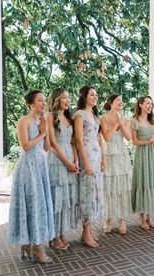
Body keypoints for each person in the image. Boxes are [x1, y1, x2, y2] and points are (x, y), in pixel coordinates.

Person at [8, 90, 54, 264]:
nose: (43, 103)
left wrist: (46, 129)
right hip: (27, 167)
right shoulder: (24, 121)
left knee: (40, 204)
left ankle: (31, 243)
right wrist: (41, 133)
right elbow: (25, 146)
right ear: (31, 104)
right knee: (31, 204)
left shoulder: (42, 121)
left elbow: (47, 147)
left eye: (44, 100)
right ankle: (34, 245)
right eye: (39, 100)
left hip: (40, 165)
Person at [47, 88, 79, 250]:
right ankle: (53, 236)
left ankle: (61, 232)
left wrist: (76, 160)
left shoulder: (70, 118)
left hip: (70, 160)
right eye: (65, 98)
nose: (68, 101)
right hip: (57, 160)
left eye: (69, 98)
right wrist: (67, 162)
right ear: (57, 99)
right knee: (56, 198)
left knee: (66, 198)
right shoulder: (50, 117)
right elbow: (52, 145)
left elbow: (74, 142)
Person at [73, 85, 106, 248]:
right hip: (87, 157)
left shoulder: (95, 114)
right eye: (92, 94)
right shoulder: (79, 114)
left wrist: (103, 159)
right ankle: (85, 234)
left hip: (97, 156)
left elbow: (99, 138)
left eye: (96, 94)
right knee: (87, 194)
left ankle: (89, 231)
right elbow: (78, 140)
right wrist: (85, 162)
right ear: (84, 96)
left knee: (95, 194)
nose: (95, 97)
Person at [100, 95, 132, 235]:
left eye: (121, 101)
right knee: (109, 188)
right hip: (108, 155)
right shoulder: (103, 118)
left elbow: (129, 137)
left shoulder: (125, 119)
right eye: (117, 100)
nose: (120, 102)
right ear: (111, 103)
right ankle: (108, 218)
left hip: (121, 155)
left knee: (121, 188)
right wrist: (115, 124)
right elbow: (106, 137)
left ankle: (121, 220)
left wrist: (121, 123)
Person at [131, 96, 154, 230]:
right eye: (147, 103)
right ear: (140, 105)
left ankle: (149, 215)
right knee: (143, 181)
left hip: (153, 155)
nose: (150, 106)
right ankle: (141, 215)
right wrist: (148, 142)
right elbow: (134, 141)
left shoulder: (153, 120)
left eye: (151, 103)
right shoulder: (134, 121)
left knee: (152, 181)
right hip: (142, 154)